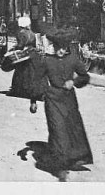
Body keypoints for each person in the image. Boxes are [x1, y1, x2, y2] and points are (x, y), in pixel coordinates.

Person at [37, 29, 93, 181]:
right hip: (52, 99)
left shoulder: (73, 59)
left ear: (68, 47)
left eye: (63, 47)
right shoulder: (47, 60)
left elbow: (85, 76)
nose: (60, 51)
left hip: (69, 100)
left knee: (73, 129)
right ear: (53, 46)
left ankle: (73, 159)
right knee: (58, 130)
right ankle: (60, 168)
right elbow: (38, 79)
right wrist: (35, 99)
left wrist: (73, 82)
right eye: (57, 47)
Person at [6, 28, 45, 113]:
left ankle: (20, 90)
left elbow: (6, 67)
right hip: (40, 85)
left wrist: (13, 51)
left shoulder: (22, 37)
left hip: (26, 58)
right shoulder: (34, 40)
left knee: (22, 72)